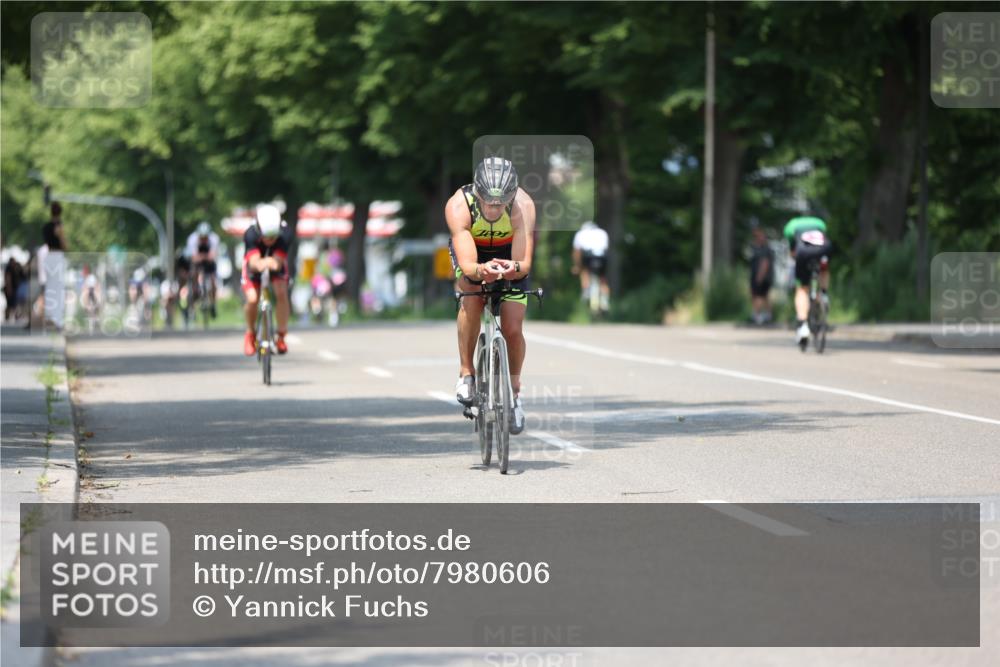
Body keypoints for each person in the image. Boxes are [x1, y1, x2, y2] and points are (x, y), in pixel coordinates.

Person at [446, 156, 535, 435]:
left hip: (510, 254)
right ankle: (466, 373)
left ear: (511, 196)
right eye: (488, 202)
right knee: (471, 297)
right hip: (474, 254)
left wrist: (514, 268)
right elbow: (470, 266)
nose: (495, 208)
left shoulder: (524, 205)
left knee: (512, 326)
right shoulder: (459, 206)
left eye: (501, 203)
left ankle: (515, 395)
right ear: (478, 193)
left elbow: (524, 265)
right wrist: (481, 269)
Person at [241, 204, 293, 356]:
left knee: (281, 292)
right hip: (254, 266)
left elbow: (277, 264)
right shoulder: (250, 234)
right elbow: (254, 264)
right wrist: (264, 262)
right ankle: (250, 334)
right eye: (266, 236)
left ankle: (281, 336)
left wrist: (269, 262)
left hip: (276, 264)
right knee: (252, 298)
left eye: (273, 236)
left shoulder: (286, 234)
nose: (270, 240)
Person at [783, 215, 833, 346]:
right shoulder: (819, 223)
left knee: (802, 289)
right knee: (824, 269)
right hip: (824, 249)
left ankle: (803, 325)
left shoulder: (791, 226)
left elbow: (793, 252)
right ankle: (824, 293)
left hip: (803, 252)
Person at [571, 220, 610, 314]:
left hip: (589, 256)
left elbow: (577, 252)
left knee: (584, 272)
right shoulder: (602, 232)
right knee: (603, 278)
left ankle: (586, 291)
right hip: (602, 257)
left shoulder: (580, 233)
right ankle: (605, 302)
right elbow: (606, 248)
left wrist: (577, 266)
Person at [184, 221, 220, 318]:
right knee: (194, 273)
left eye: (205, 238)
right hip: (198, 263)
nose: (204, 240)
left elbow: (213, 256)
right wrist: (204, 257)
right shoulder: (192, 239)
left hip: (209, 263)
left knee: (213, 281)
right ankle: (195, 290)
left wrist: (204, 257)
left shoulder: (214, 239)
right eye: (202, 238)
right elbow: (194, 258)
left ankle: (213, 304)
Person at [748, 222, 775, 325]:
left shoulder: (764, 249)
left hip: (762, 277)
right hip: (758, 276)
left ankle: (756, 315)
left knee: (758, 296)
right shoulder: (756, 247)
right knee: (764, 296)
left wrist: (760, 276)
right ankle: (768, 315)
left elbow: (765, 263)